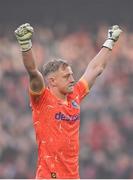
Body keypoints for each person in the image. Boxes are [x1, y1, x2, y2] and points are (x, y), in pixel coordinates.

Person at [14, 23, 122, 179]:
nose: (72, 79)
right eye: (66, 76)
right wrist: (25, 45)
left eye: (71, 75)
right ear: (52, 81)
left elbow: (95, 68)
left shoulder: (75, 95)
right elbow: (32, 72)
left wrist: (110, 41)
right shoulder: (42, 99)